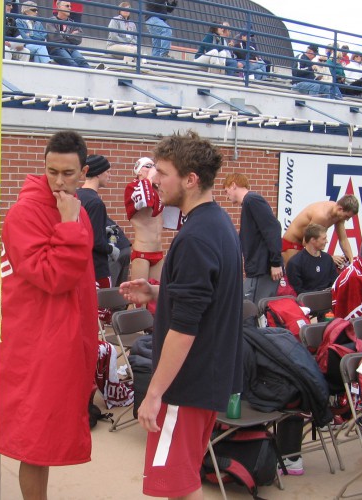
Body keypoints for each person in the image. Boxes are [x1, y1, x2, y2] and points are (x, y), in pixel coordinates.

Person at [120, 131, 243, 499]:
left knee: (176, 486)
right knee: (181, 482)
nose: (154, 179)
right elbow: (207, 299)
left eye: (162, 172)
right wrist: (160, 292)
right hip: (206, 378)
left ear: (190, 179)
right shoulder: (215, 223)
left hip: (187, 384)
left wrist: (154, 393)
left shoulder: (196, 237)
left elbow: (186, 328)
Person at [0, 131, 97, 500]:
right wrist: (69, 226)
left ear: (83, 172)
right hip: (39, 343)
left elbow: (79, 280)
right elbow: (53, 276)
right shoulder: (25, 213)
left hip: (64, 337)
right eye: (52, 171)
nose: (58, 181)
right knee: (36, 444)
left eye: (68, 173)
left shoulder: (75, 209)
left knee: (46, 439)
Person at [223, 173, 282, 304]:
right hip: (257, 269)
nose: (227, 196)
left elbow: (273, 228)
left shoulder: (252, 200)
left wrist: (275, 263)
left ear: (233, 185)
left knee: (251, 311)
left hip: (262, 269)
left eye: (226, 191)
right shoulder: (249, 203)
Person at [77, 154, 118, 291]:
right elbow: (95, 241)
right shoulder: (96, 202)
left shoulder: (76, 195)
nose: (110, 175)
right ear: (99, 173)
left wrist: (101, 229)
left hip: (80, 267)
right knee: (101, 310)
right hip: (97, 270)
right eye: (107, 171)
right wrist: (111, 249)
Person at [281, 194, 359, 267]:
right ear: (340, 209)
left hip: (305, 243)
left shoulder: (339, 214)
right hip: (293, 243)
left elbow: (343, 239)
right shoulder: (322, 216)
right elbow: (307, 242)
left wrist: (352, 262)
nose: (347, 219)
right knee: (295, 275)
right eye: (347, 216)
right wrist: (329, 258)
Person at [125, 157, 164, 282]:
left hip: (158, 250)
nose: (153, 169)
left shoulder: (157, 190)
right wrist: (148, 179)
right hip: (142, 251)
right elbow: (145, 201)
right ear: (138, 171)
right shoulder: (133, 188)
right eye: (148, 166)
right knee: (139, 298)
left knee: (155, 298)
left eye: (154, 166)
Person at [286, 223, 337, 295]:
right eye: (324, 239)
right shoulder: (295, 263)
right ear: (313, 240)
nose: (327, 241)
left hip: (328, 300)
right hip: (306, 302)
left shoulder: (328, 259)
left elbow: (335, 282)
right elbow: (297, 290)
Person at [46, 1, 90, 68]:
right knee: (73, 64)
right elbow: (55, 39)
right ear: (59, 7)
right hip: (57, 49)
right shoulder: (51, 22)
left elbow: (78, 39)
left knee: (83, 63)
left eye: (70, 6)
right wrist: (70, 35)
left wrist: (64, 35)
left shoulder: (73, 23)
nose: (69, 8)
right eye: (67, 6)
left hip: (70, 49)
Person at [107, 217, 132, 287]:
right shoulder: (100, 212)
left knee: (108, 289)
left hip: (114, 251)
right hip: (125, 247)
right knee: (121, 288)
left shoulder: (86, 212)